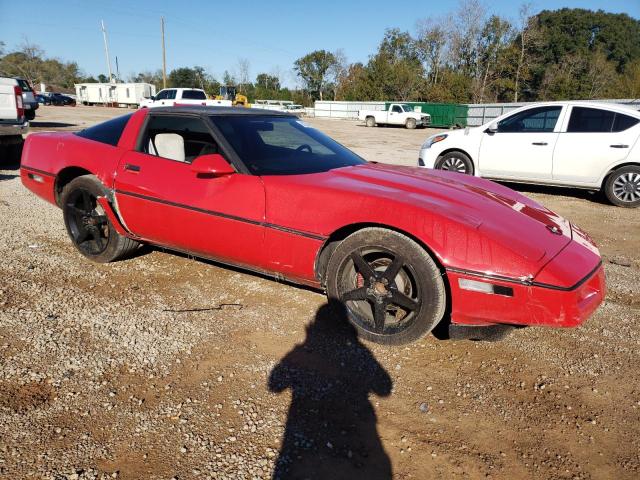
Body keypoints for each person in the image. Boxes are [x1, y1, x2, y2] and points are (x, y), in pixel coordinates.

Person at [269, 301, 393, 479]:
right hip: (354, 434)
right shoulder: (359, 352)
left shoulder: (303, 351)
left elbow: (274, 384)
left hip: (308, 434)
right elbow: (384, 388)